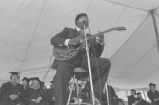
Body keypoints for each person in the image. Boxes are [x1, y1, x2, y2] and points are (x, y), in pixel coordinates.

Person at [50, 13, 111, 105]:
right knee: (61, 75)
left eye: (88, 20)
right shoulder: (68, 31)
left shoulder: (90, 37)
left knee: (105, 63)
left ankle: (90, 92)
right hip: (67, 60)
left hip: (84, 60)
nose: (86, 21)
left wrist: (100, 43)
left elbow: (96, 55)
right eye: (84, 19)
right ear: (77, 22)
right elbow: (54, 40)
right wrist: (69, 41)